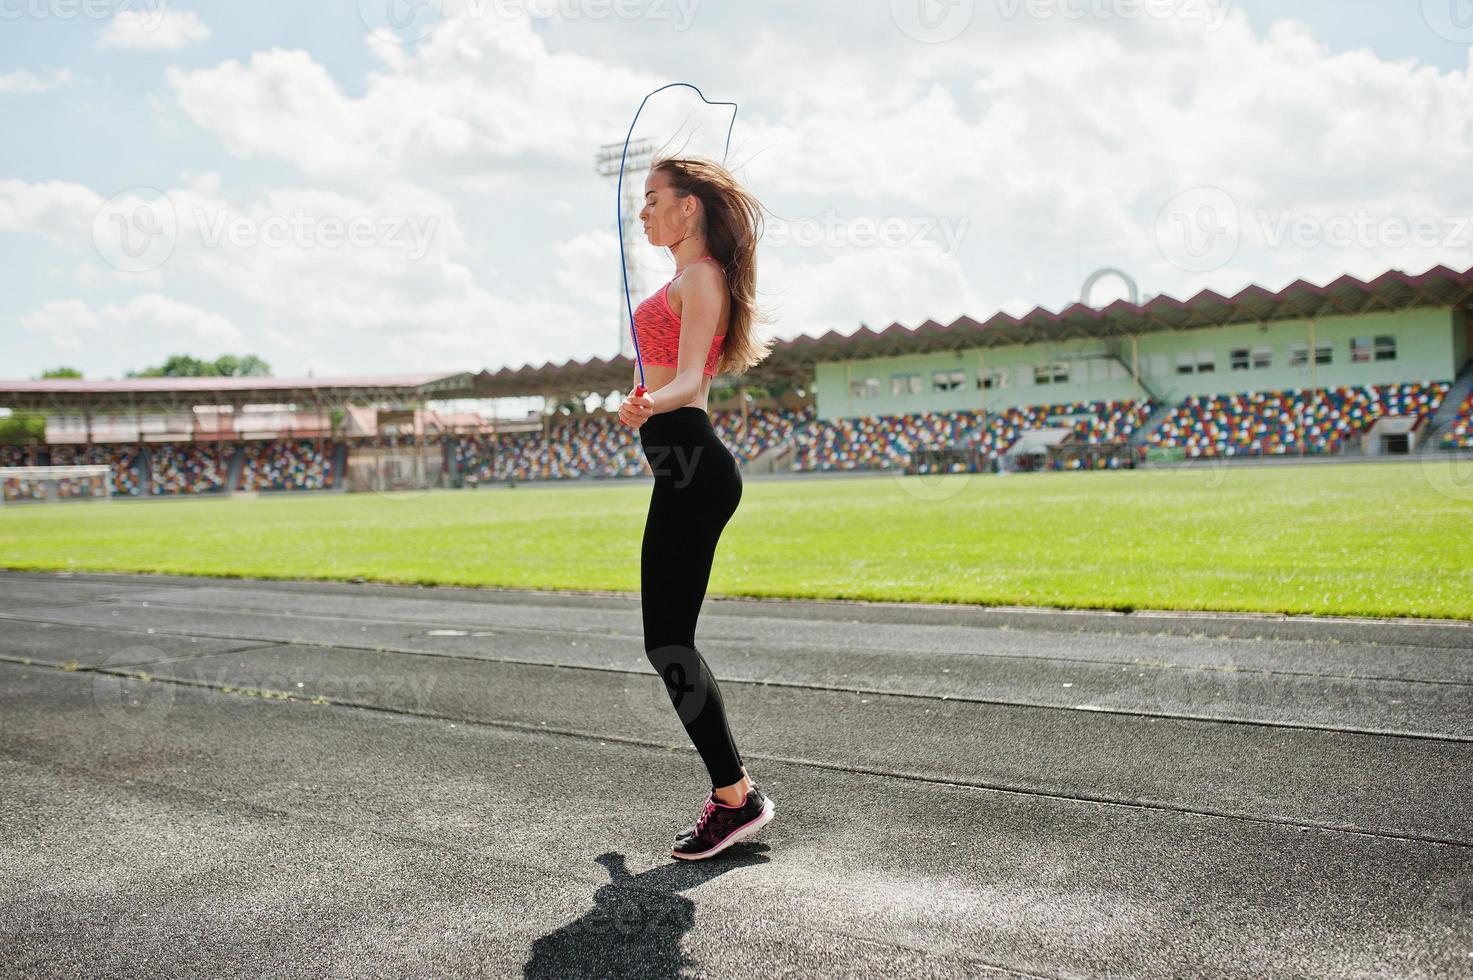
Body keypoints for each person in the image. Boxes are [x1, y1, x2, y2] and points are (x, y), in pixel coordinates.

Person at [617, 155, 776, 860]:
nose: (644, 212)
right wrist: (641, 398)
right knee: (665, 642)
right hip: (677, 464)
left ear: (689, 207)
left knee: (667, 643)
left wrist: (651, 399)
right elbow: (661, 374)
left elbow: (691, 378)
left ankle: (734, 799)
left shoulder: (703, 275)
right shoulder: (679, 281)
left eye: (653, 199)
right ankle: (733, 796)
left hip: (693, 465)